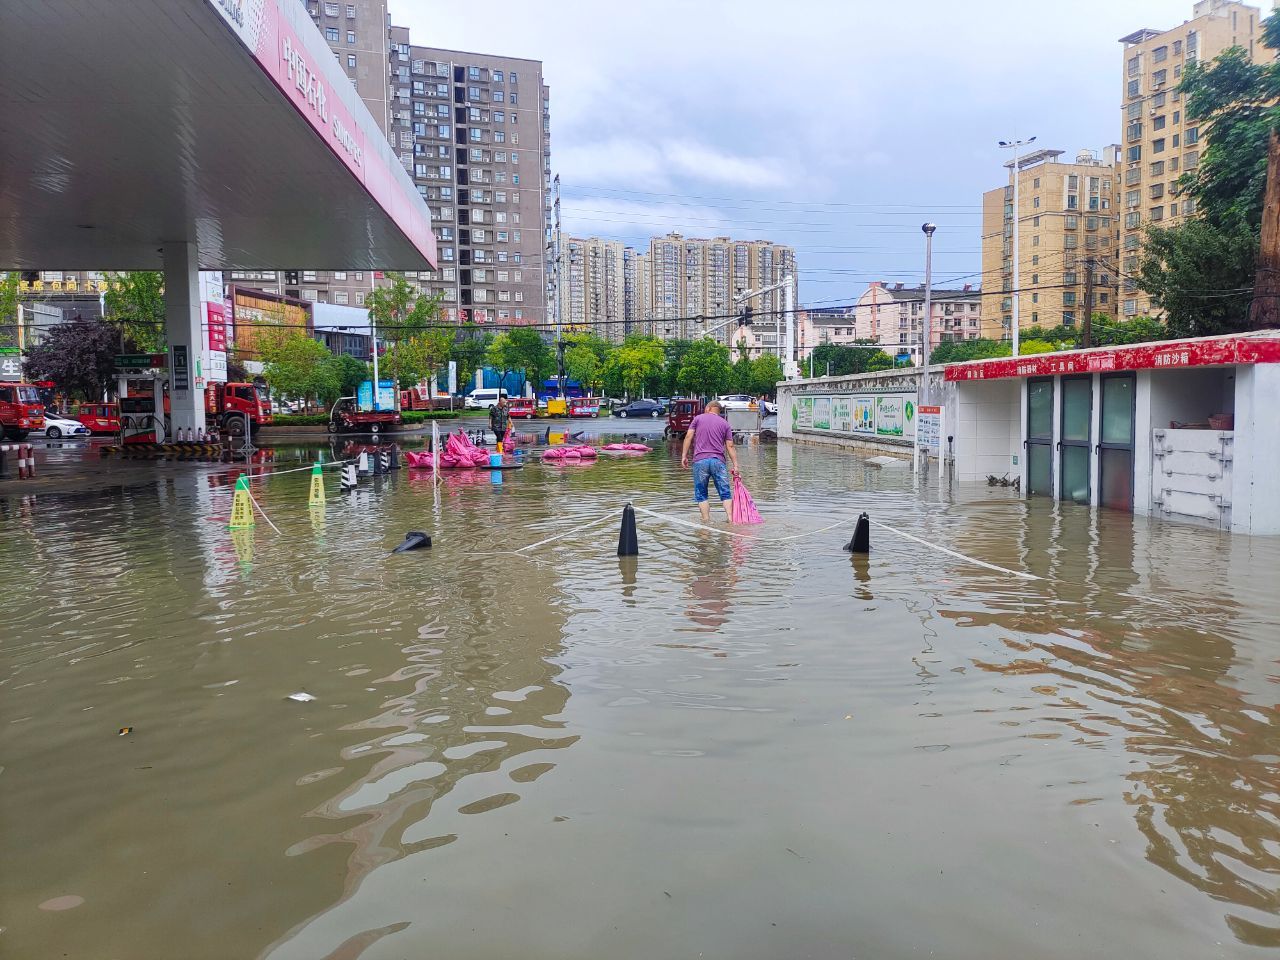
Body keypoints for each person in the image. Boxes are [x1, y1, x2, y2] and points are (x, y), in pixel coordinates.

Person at [681, 400, 740, 523]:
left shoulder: (697, 419)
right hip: (718, 462)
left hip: (700, 461)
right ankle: (731, 520)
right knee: (725, 493)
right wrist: (735, 465)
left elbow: (688, 436)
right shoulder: (725, 423)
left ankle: (706, 522)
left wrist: (684, 456)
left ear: (708, 408)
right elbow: (730, 446)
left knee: (701, 494)